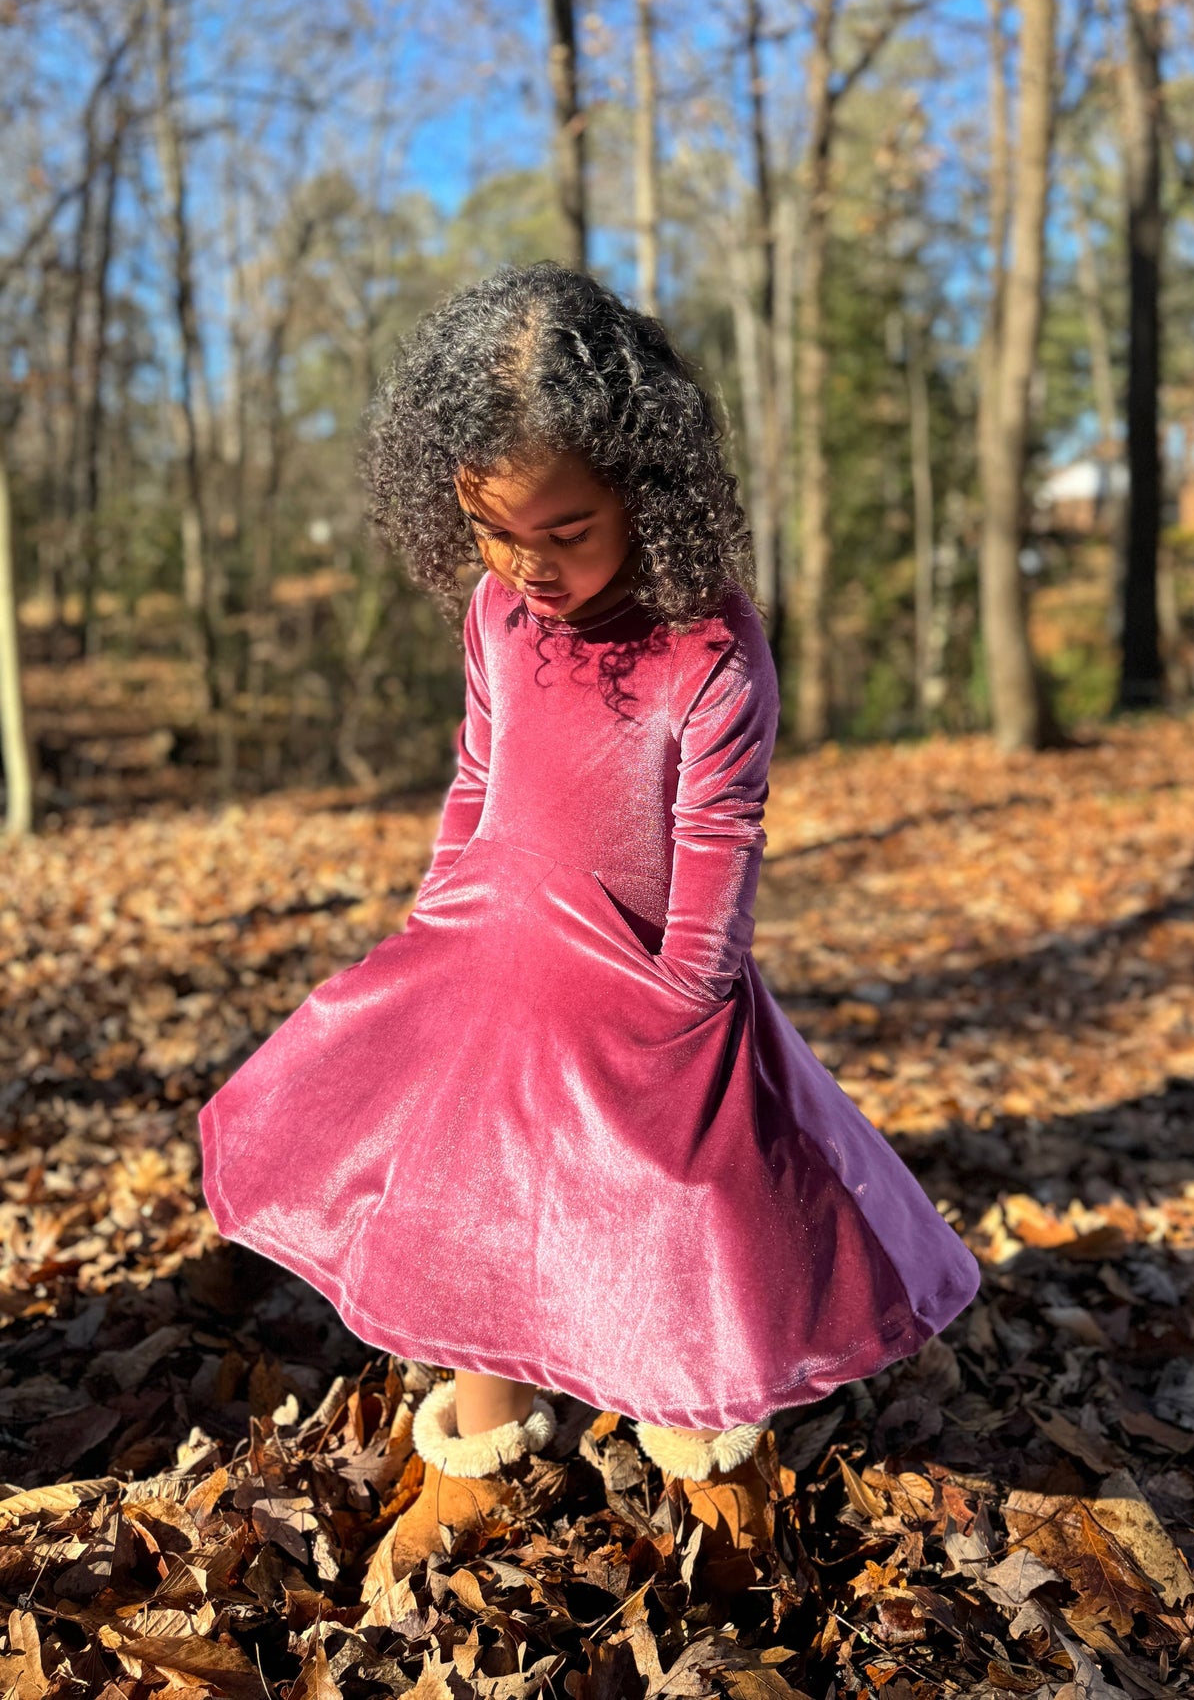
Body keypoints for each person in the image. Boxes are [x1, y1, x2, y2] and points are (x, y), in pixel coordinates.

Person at [197, 262, 979, 1565]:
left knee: (670, 1227)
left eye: (567, 531)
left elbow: (721, 836)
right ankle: (487, 1441)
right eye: (497, 530)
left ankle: (701, 1442)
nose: (530, 565)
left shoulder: (707, 649)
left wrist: (685, 1003)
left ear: (644, 491)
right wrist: (435, 917)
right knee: (469, 1212)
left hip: (646, 993)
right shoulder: (496, 612)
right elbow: (474, 773)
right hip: (488, 969)